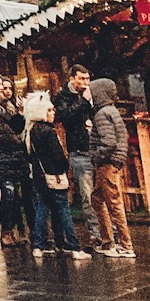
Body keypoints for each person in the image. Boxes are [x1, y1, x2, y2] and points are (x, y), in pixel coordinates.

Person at [23, 92, 87, 260]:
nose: (54, 112)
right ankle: (73, 246)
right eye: (50, 110)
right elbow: (58, 156)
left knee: (41, 210)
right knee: (63, 210)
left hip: (39, 177)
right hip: (54, 176)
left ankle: (38, 245)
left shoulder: (31, 132)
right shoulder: (49, 132)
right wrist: (65, 167)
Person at [87, 78, 134, 258]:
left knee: (113, 203)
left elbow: (108, 143)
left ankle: (125, 244)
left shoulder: (101, 114)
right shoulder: (112, 111)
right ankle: (108, 241)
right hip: (113, 161)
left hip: (107, 163)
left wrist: (96, 156)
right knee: (97, 199)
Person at [54, 65, 98, 247]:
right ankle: (96, 232)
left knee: (102, 192)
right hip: (79, 148)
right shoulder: (62, 97)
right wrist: (84, 102)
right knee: (87, 193)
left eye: (87, 79)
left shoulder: (92, 93)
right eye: (81, 79)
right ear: (72, 78)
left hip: (96, 147)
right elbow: (66, 116)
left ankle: (110, 230)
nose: (85, 83)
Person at [0, 113, 31, 247]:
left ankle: (13, 231)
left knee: (13, 198)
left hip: (8, 167)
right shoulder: (3, 131)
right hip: (4, 168)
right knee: (10, 196)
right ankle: (7, 232)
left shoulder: (1, 125)